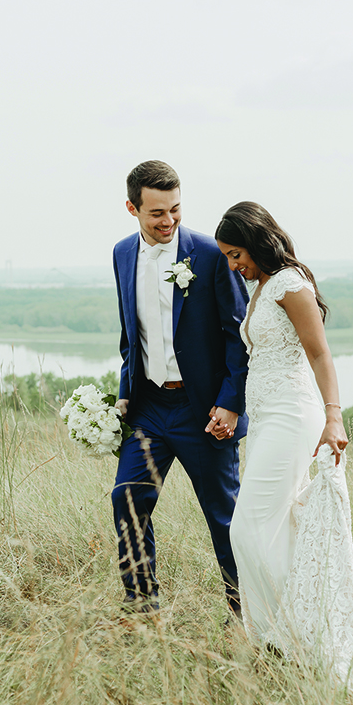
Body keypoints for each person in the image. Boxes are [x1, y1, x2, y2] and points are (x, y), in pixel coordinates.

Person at [214, 201, 353, 690]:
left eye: (236, 253)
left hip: (292, 415)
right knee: (272, 527)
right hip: (263, 421)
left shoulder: (289, 283)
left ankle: (290, 632)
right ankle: (278, 640)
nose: (232, 264)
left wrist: (334, 416)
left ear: (258, 240)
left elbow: (319, 351)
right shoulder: (259, 287)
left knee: (248, 526)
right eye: (227, 256)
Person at [112, 160, 249, 617]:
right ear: (132, 208)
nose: (168, 221)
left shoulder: (211, 255)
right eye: (156, 213)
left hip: (204, 412)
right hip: (149, 408)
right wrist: (124, 392)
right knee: (127, 498)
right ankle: (141, 606)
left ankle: (247, 613)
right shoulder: (121, 254)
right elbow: (130, 337)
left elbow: (239, 336)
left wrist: (230, 404)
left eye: (174, 210)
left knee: (223, 517)